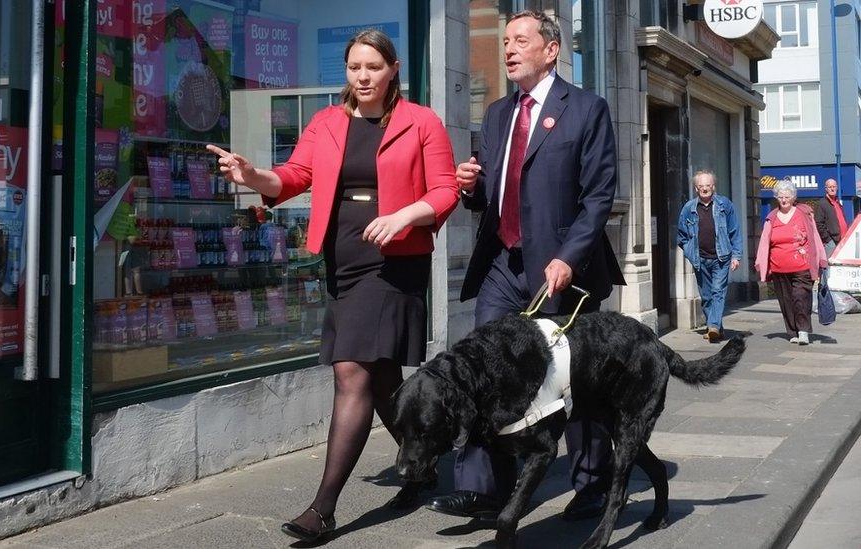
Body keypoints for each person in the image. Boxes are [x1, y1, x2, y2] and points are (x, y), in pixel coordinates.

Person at [207, 29, 459, 543]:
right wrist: (252, 175)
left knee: (351, 371)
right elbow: (293, 178)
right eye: (353, 68)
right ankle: (424, 459)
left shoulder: (422, 121)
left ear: (393, 70)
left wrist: (404, 217)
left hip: (392, 261)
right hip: (342, 260)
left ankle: (323, 509)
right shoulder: (326, 122)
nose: (362, 77)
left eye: (372, 67)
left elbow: (445, 188)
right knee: (381, 374)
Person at [428, 9, 624, 523]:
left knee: (575, 379)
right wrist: (472, 187)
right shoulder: (496, 114)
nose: (509, 49)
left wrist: (569, 256)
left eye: (521, 39)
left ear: (551, 49)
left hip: (563, 267)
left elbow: (599, 195)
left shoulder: (587, 109)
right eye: (506, 40)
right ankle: (484, 487)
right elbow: (494, 196)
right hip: (502, 264)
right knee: (483, 367)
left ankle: (592, 483)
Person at [754, 178, 827, 345]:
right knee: (786, 300)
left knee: (800, 296)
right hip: (779, 267)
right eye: (780, 197)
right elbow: (765, 242)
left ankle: (803, 331)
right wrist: (760, 262)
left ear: (793, 197)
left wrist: (822, 259)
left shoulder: (804, 214)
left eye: (787, 196)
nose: (784, 200)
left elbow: (815, 237)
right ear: (776, 198)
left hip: (802, 265)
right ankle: (792, 331)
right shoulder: (771, 218)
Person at [675, 170, 742, 343]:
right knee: (706, 297)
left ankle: (712, 326)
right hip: (700, 259)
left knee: (717, 292)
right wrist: (690, 252)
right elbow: (681, 236)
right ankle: (717, 328)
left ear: (713, 186)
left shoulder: (724, 205)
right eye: (701, 186)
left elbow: (734, 231)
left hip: (722, 258)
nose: (705, 188)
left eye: (708, 185)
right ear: (696, 188)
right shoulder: (688, 208)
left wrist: (736, 255)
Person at [814, 178, 849, 258]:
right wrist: (828, 240)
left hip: (842, 240)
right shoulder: (822, 203)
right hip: (832, 242)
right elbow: (818, 223)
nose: (832, 189)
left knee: (839, 265)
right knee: (829, 266)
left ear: (837, 188)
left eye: (834, 186)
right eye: (830, 187)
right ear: (826, 189)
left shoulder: (837, 202)